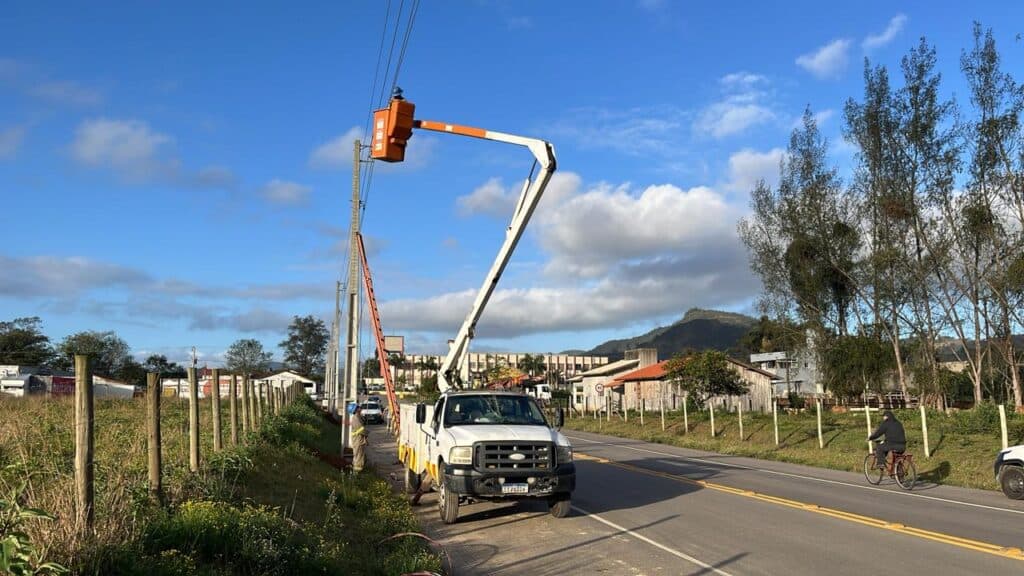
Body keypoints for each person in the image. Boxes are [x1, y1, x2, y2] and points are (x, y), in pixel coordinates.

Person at [350, 403, 369, 474]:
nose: (360, 408)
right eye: (358, 407)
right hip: (358, 441)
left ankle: (357, 473)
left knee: (361, 457)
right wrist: (367, 433)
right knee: (359, 459)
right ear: (356, 409)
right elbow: (361, 430)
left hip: (359, 440)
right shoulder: (355, 418)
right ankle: (356, 475)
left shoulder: (358, 417)